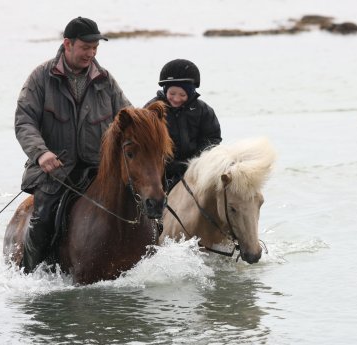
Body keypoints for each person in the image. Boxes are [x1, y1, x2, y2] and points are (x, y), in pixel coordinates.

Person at [15, 17, 131, 273]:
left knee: (138, 205)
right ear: (67, 44)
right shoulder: (40, 78)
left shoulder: (105, 80)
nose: (91, 54)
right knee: (44, 220)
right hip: (55, 172)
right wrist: (41, 153)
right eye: (85, 48)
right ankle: (30, 274)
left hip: (99, 170)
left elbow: (128, 118)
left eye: (95, 49)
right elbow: (24, 122)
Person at [145, 59, 222, 190]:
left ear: (191, 93)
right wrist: (167, 165)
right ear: (165, 91)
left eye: (182, 94)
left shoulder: (203, 110)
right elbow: (145, 143)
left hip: (195, 168)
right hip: (161, 172)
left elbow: (212, 138)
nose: (176, 98)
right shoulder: (152, 110)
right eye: (172, 93)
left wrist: (195, 161)